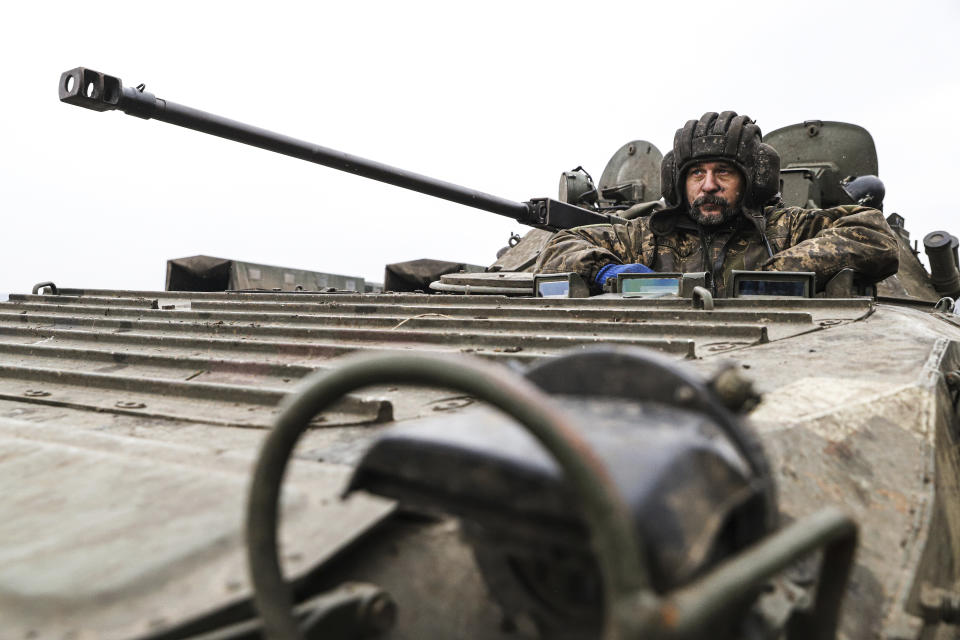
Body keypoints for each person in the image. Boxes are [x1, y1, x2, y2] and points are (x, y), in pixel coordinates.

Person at [535, 112, 899, 296]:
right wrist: (605, 272)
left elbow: (872, 235)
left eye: (723, 172)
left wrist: (774, 277)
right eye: (697, 174)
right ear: (679, 181)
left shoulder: (787, 229)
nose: (708, 186)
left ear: (750, 180)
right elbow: (558, 245)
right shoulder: (648, 236)